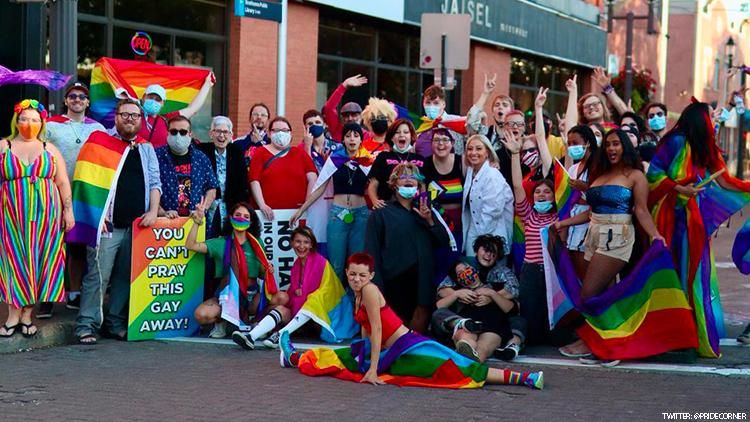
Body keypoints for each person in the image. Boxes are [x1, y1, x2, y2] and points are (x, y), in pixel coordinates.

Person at [279, 253, 543, 390]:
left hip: (406, 347)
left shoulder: (370, 291)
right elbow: (366, 330)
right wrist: (361, 354)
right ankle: (290, 357)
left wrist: (372, 370)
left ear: (371, 275)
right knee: (331, 359)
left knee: (458, 368)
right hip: (382, 351)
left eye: (361, 275)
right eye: (352, 275)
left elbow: (379, 328)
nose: (356, 279)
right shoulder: (357, 293)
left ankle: (526, 379)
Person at [648, 101, 750, 358]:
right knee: (672, 270)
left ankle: (691, 331)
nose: (713, 122)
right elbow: (654, 174)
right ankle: (671, 331)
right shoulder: (675, 142)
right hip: (669, 217)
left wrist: (747, 187)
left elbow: (725, 180)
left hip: (693, 221)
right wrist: (679, 188)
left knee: (694, 272)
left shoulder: (708, 148)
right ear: (700, 120)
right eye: (710, 117)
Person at [552, 129, 665, 358]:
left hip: (618, 235)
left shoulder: (635, 175)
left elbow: (641, 210)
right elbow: (591, 212)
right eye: (608, 145)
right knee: (605, 293)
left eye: (616, 144)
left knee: (588, 293)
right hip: (593, 235)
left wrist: (655, 235)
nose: (612, 149)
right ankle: (609, 341)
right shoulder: (599, 175)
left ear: (625, 146)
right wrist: (563, 224)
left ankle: (592, 341)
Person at [72, 98, 161, 344]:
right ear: (116, 116)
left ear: (141, 120)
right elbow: (85, 182)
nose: (130, 119)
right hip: (107, 225)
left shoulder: (146, 148)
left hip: (137, 226)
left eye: (135, 115)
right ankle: (86, 325)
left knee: (125, 276)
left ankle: (115, 323)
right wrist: (92, 218)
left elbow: (155, 182)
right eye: (125, 114)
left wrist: (154, 211)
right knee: (98, 275)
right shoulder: (99, 142)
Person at [0, 100, 74, 338]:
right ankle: (12, 314)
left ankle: (26, 315)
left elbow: (62, 182)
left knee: (41, 261)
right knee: (13, 260)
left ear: (41, 122)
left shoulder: (49, 148)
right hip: (11, 214)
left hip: (47, 217)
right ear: (16, 121)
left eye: (34, 120)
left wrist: (68, 211)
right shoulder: (4, 145)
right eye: (24, 119)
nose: (29, 124)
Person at [186, 200, 290, 344]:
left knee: (283, 298)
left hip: (252, 296)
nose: (242, 219)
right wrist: (197, 222)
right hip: (227, 297)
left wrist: (267, 270)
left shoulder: (256, 242)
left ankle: (255, 321)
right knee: (201, 314)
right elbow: (190, 245)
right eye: (238, 215)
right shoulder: (221, 242)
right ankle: (222, 321)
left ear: (251, 221)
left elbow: (261, 274)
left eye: (246, 217)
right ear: (230, 217)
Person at [365, 163, 451, 333]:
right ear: (394, 184)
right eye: (403, 177)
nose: (408, 180)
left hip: (422, 279)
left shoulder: (426, 209)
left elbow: (444, 241)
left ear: (419, 185)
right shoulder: (381, 212)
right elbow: (371, 250)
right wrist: (375, 285)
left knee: (418, 329)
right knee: (395, 330)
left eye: (413, 177)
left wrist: (429, 221)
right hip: (394, 279)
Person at [44, 82, 105, 315]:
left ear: (88, 102)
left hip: (84, 195)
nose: (77, 100)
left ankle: (74, 293)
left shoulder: (98, 128)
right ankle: (47, 296)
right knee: (51, 246)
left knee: (78, 246)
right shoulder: (51, 125)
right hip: (54, 193)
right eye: (72, 96)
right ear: (66, 101)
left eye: (82, 97)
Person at [291, 123, 373, 280]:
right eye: (348, 135)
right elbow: (320, 188)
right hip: (338, 214)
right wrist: (301, 210)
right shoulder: (335, 159)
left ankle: (355, 302)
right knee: (336, 265)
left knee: (358, 264)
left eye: (356, 136)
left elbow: (376, 187)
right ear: (342, 139)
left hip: (361, 215)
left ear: (361, 140)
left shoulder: (367, 160)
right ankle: (336, 302)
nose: (352, 139)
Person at [502, 128, 559, 346]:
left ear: (554, 196)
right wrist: (515, 154)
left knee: (551, 311)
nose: (542, 195)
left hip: (553, 270)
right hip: (531, 270)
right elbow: (517, 185)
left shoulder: (559, 214)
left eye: (546, 192)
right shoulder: (528, 214)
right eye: (538, 192)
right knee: (529, 309)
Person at [262, 226, 358, 348]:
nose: (302, 246)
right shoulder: (296, 265)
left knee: (311, 300)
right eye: (298, 241)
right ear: (291, 243)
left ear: (311, 245)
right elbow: (294, 295)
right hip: (303, 314)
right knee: (281, 302)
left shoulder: (321, 262)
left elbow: (326, 293)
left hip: (322, 315)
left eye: (306, 242)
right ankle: (252, 335)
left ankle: (278, 334)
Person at [248, 116, 317, 221]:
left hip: (297, 213)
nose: (281, 133)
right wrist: (262, 205)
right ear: (269, 134)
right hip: (267, 215)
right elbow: (254, 180)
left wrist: (306, 205)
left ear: (290, 133)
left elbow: (312, 177)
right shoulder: (260, 153)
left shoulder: (299, 153)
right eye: (276, 130)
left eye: (285, 130)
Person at [156, 116, 218, 232]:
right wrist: (162, 212)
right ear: (167, 133)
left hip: (194, 223)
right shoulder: (156, 156)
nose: (178, 136)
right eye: (174, 132)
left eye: (183, 132)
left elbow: (212, 188)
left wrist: (202, 209)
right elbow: (149, 188)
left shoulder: (201, 158)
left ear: (190, 134)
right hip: (163, 225)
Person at [421, 126, 464, 282]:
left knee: (457, 265)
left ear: (452, 143)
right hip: (436, 225)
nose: (441, 144)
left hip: (459, 226)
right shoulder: (425, 165)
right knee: (438, 267)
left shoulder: (462, 162)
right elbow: (423, 196)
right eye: (437, 140)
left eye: (445, 140)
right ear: (431, 144)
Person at [461, 134, 514, 258]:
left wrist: (481, 243)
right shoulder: (470, 171)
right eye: (470, 149)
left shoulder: (492, 175)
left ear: (487, 153)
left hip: (491, 234)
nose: (473, 152)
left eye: (479, 149)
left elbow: (493, 211)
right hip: (474, 230)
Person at [196, 116, 249, 236]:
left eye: (225, 132)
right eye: (218, 131)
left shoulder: (237, 152)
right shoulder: (201, 151)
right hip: (208, 208)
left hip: (230, 207)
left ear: (231, 135)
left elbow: (242, 184)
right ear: (211, 134)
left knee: (229, 244)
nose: (221, 136)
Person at [561, 125, 599, 279]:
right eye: (569, 144)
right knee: (574, 272)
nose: (572, 147)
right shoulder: (573, 169)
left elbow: (603, 195)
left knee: (588, 272)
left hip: (590, 223)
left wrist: (585, 187)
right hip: (573, 223)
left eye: (575, 142)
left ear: (588, 142)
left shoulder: (598, 166)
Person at [136, 73, 214, 148]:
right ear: (143, 97)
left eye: (158, 99)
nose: (153, 101)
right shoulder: (132, 116)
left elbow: (192, 109)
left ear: (163, 103)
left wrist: (207, 84)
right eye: (150, 97)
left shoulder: (167, 119)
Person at [367, 119, 425, 206]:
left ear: (411, 136)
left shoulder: (419, 158)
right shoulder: (383, 157)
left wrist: (422, 203)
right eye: (397, 132)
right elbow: (373, 183)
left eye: (406, 132)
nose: (402, 135)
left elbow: (422, 185)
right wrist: (375, 201)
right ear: (391, 137)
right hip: (388, 207)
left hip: (413, 208)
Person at [415, 85, 467, 156]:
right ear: (423, 104)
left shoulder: (456, 121)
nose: (431, 106)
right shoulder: (420, 125)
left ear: (443, 104)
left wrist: (484, 95)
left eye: (436, 103)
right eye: (428, 103)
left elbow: (475, 127)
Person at [322, 74, 370, 142]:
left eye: (354, 115)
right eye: (346, 115)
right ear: (341, 118)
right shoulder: (336, 130)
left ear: (361, 116)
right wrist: (344, 85)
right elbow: (328, 108)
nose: (350, 118)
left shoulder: (367, 136)